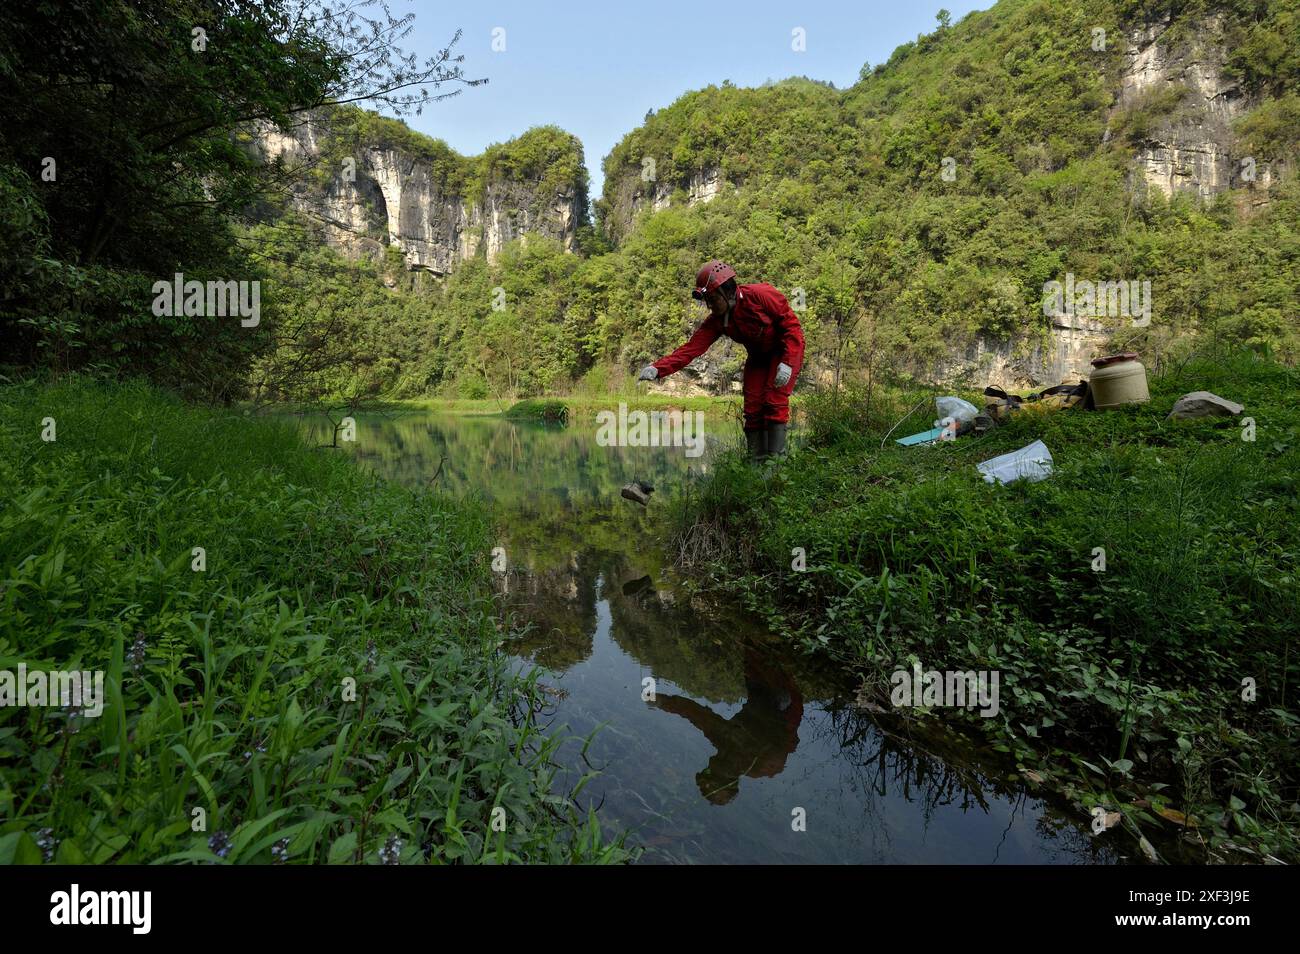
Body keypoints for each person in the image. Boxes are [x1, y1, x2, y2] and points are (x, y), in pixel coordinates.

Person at [639, 260, 805, 460]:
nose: (710, 306)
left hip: (784, 351)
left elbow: (792, 327)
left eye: (712, 299)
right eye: (707, 301)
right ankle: (756, 464)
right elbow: (691, 349)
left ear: (727, 292)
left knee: (774, 401)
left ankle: (777, 462)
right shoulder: (717, 321)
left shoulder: (761, 295)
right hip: (758, 358)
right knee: (752, 409)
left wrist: (787, 362)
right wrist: (657, 369)